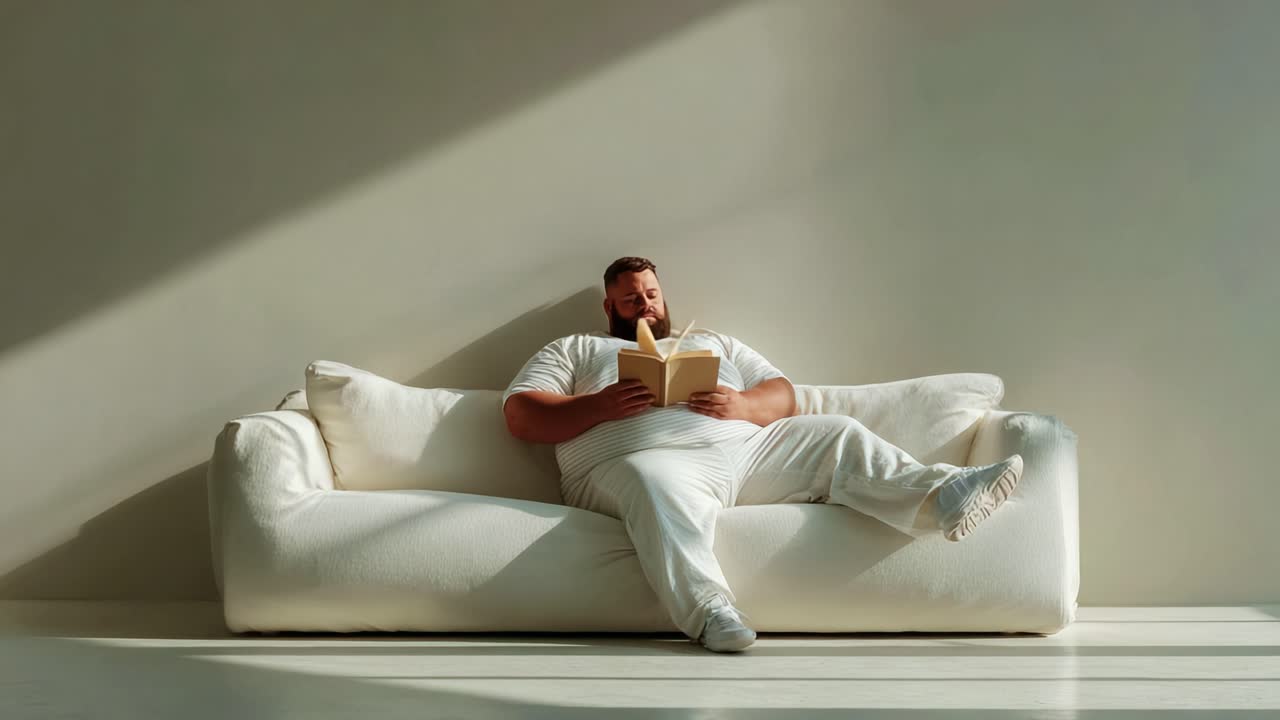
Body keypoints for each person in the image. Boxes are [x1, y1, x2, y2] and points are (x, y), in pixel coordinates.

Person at [502, 256, 1023, 653]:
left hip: (742, 454)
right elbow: (522, 415)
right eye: (631, 298)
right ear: (609, 307)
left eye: (652, 294)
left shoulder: (714, 343)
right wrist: (600, 403)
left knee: (835, 431)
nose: (646, 305)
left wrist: (742, 402)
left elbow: (784, 393)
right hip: (638, 463)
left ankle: (945, 494)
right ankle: (710, 611)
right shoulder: (575, 349)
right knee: (654, 481)